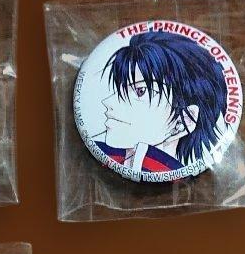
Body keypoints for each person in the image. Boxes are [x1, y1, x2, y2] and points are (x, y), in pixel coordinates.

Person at [95, 31, 228, 176]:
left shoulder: (165, 169)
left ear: (184, 121)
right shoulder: (101, 152)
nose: (107, 102)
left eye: (140, 91)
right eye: (120, 90)